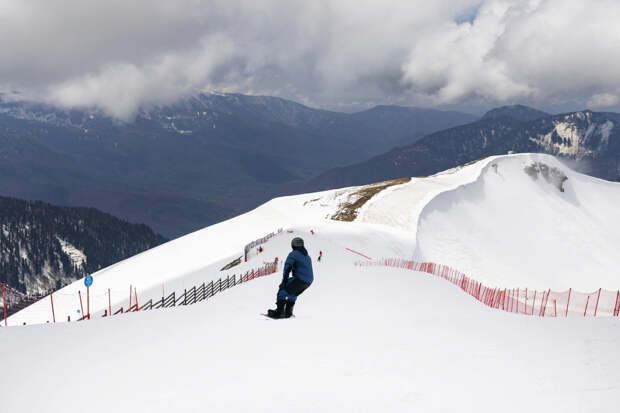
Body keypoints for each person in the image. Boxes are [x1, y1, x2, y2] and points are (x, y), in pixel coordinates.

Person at [267, 237, 313, 318]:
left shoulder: (293, 254)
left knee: (283, 290)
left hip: (300, 279)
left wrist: (284, 282)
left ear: (293, 245)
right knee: (293, 292)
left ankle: (279, 312)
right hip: (308, 281)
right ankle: (288, 312)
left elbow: (287, 268)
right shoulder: (307, 256)